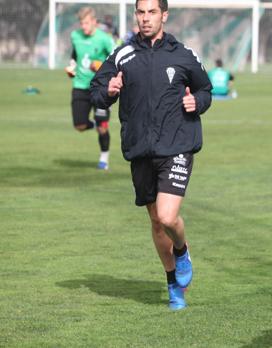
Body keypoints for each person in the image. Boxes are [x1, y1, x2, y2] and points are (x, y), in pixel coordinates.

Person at [90, 0, 213, 310]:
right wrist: (109, 91)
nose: (145, 19)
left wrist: (196, 102)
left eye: (152, 12)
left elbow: (205, 89)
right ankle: (173, 283)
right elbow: (96, 90)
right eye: (141, 13)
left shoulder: (183, 55)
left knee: (168, 216)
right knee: (157, 223)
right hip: (140, 148)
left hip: (177, 145)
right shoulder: (123, 54)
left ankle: (182, 251)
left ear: (164, 15)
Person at [65, 7, 115, 170]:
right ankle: (96, 124)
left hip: (100, 87)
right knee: (79, 125)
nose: (83, 26)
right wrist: (72, 67)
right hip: (80, 85)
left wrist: (101, 65)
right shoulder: (75, 36)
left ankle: (104, 158)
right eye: (81, 23)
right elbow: (75, 55)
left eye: (86, 23)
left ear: (94, 22)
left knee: (103, 127)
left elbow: (115, 59)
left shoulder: (104, 39)